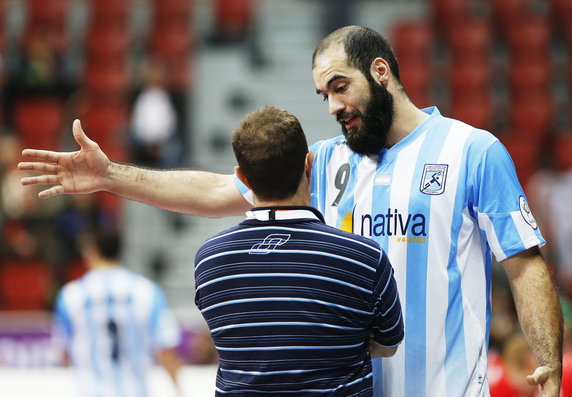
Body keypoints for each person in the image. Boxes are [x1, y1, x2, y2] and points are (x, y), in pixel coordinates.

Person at [19, 25, 562, 396]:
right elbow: (213, 192)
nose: (331, 107)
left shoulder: (472, 150)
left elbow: (525, 264)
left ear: (381, 71)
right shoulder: (324, 163)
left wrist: (547, 368)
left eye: (339, 87)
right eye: (322, 93)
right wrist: (111, 176)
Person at [194, 106, 404, 395]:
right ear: (309, 164)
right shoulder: (365, 257)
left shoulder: (209, 259)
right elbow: (389, 344)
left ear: (242, 177)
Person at [51, 227, 183, 397]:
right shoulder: (146, 291)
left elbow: (63, 352)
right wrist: (178, 389)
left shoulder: (71, 295)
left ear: (93, 250)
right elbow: (165, 347)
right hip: (135, 391)